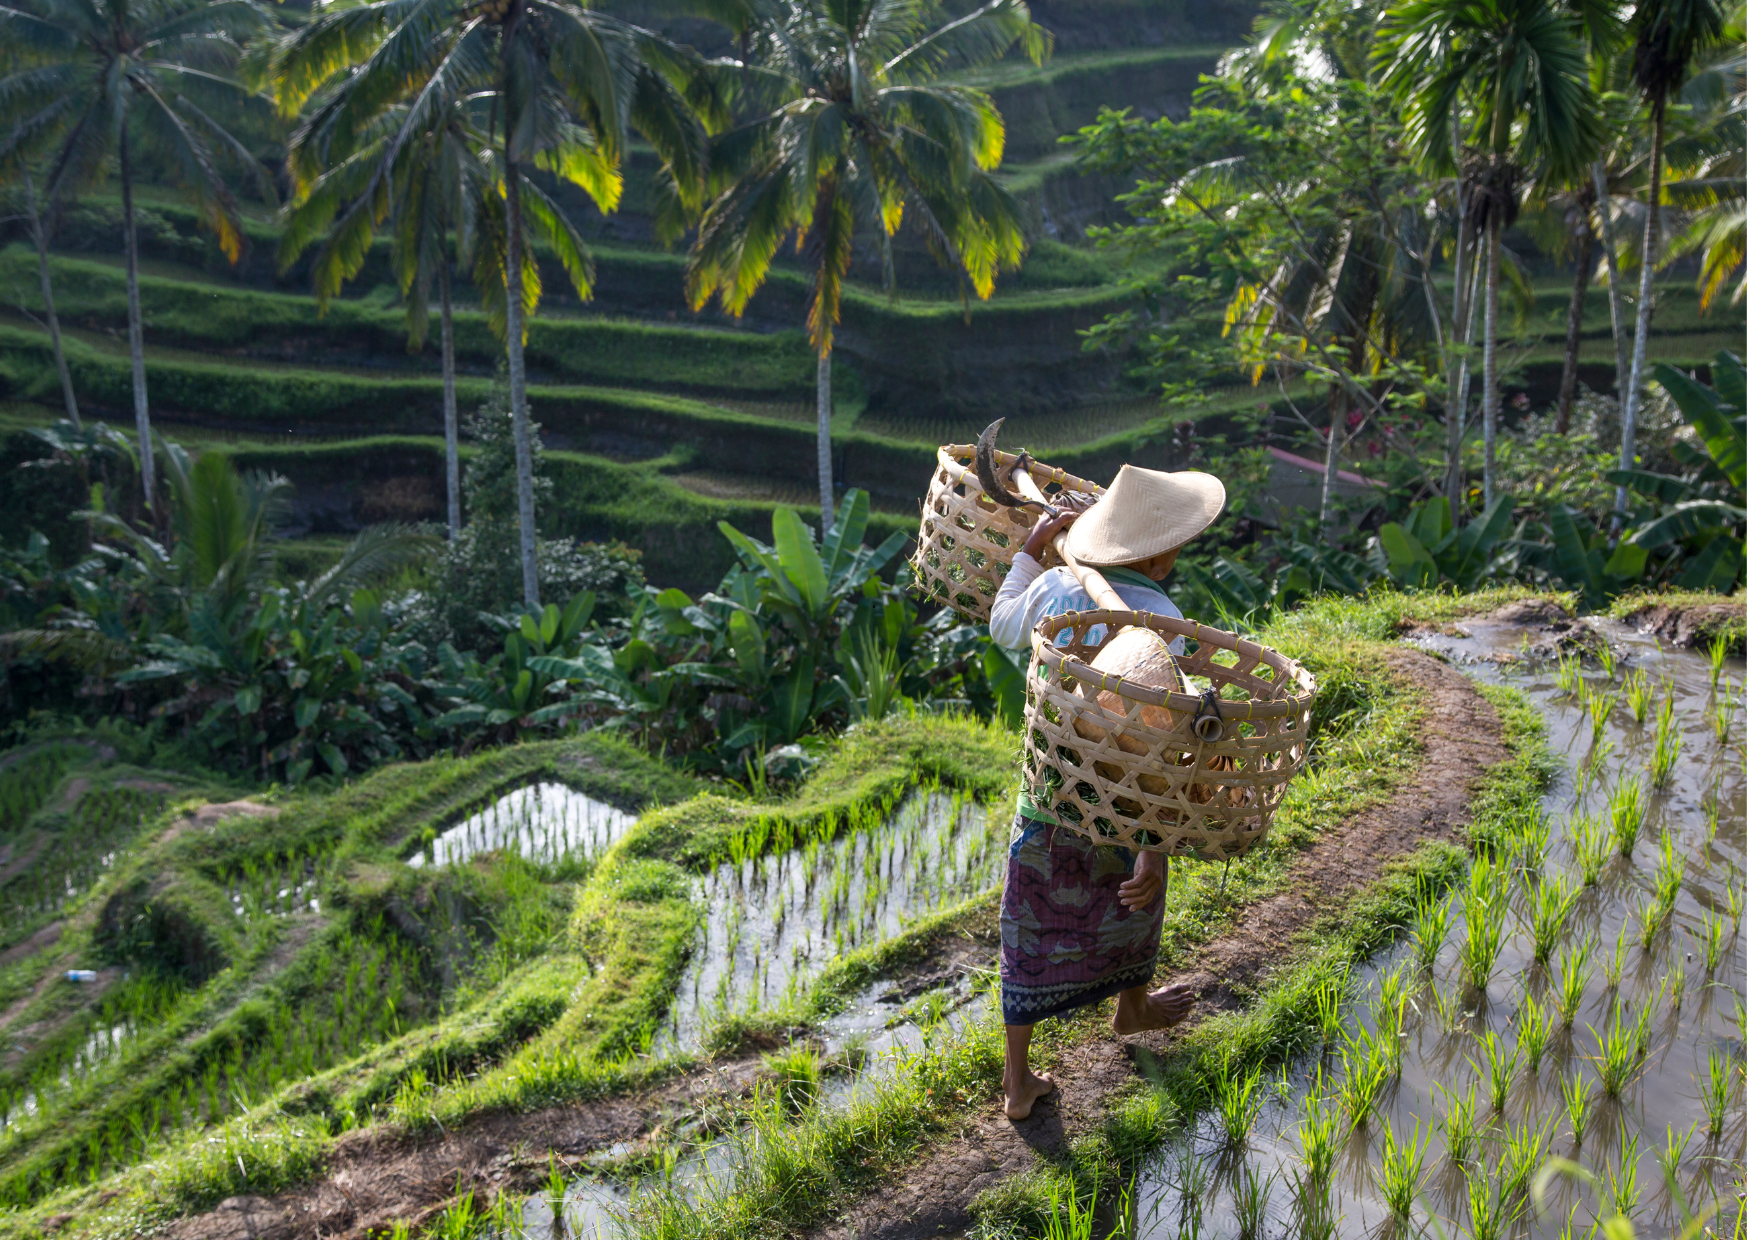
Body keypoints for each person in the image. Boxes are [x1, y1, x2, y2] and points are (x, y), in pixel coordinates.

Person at [987, 463, 1226, 1121]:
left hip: (1051, 787)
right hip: (1126, 800)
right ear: (1158, 552)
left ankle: (1017, 1080)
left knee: (1029, 921)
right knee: (1136, 901)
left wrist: (1029, 555)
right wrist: (1156, 844)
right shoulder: (1164, 620)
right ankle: (1132, 1005)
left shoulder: (1056, 585)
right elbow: (1166, 743)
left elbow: (1002, 623)